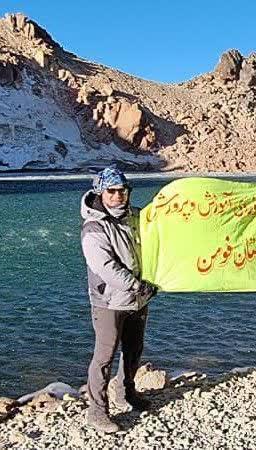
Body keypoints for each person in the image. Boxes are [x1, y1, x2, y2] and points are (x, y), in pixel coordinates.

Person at [80, 167, 157, 433]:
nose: (118, 196)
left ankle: (127, 392)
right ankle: (97, 410)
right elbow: (106, 267)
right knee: (104, 355)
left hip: (138, 298)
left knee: (134, 349)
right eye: (112, 191)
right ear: (101, 192)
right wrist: (138, 285)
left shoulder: (136, 217)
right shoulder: (94, 228)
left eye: (123, 190)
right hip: (109, 301)